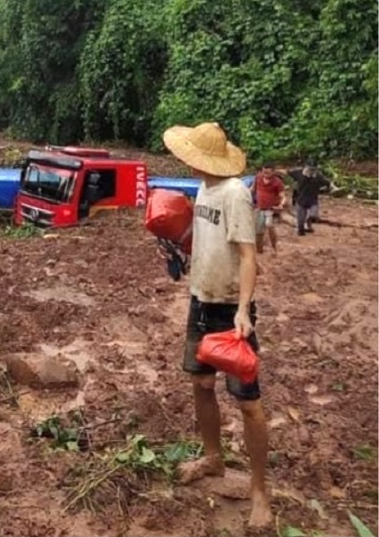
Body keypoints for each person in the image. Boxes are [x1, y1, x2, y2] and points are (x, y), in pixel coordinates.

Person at [162, 122, 271, 528]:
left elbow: (248, 256)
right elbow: (206, 240)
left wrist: (243, 310)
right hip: (200, 302)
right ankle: (213, 457)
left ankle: (260, 491)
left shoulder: (235, 193)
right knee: (201, 383)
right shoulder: (204, 188)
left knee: (248, 402)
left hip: (228, 309)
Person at [251, 163, 286, 254]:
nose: (265, 174)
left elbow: (282, 196)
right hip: (259, 208)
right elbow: (252, 189)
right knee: (258, 231)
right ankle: (259, 250)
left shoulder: (277, 182)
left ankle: (274, 247)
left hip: (270, 208)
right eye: (264, 172)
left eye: (268, 173)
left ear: (273, 172)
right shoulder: (258, 178)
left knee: (269, 224)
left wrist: (281, 204)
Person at [288, 161, 331, 235]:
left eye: (313, 169)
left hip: (312, 200)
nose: (311, 171)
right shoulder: (299, 173)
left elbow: (327, 183)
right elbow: (289, 172)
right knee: (300, 221)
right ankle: (302, 230)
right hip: (300, 200)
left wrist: (323, 190)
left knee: (313, 215)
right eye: (309, 169)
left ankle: (308, 223)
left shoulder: (318, 176)